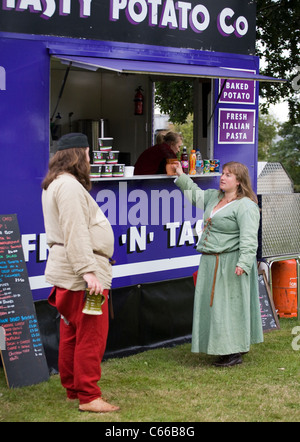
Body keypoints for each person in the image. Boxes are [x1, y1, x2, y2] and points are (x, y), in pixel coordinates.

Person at [41, 133, 119, 413]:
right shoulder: (70, 187)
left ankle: (73, 390)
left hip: (67, 272)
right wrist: (89, 273)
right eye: (88, 153)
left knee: (71, 333)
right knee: (91, 335)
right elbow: (75, 232)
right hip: (81, 275)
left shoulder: (55, 184)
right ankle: (89, 396)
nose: (90, 159)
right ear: (77, 155)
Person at [174, 160, 263, 367]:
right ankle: (224, 346)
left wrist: (243, 263)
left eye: (228, 175)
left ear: (239, 181)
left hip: (231, 262)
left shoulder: (246, 206)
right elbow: (195, 194)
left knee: (229, 306)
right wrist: (180, 175)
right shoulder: (215, 197)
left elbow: (249, 238)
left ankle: (232, 352)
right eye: (223, 173)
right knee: (214, 306)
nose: (222, 177)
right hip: (210, 261)